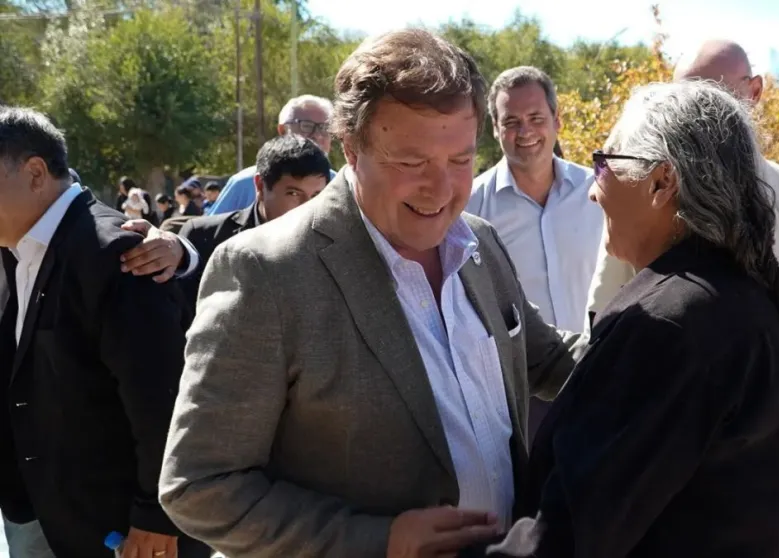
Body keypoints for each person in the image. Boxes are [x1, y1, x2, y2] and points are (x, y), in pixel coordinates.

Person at [159, 29, 585, 558]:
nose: (441, 189)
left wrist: (663, 338)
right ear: (351, 147)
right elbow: (199, 485)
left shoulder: (479, 242)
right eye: (411, 162)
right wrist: (378, 540)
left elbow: (547, 358)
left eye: (460, 160)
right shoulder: (265, 272)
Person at [474, 80, 779, 558]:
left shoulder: (671, 325)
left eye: (605, 163)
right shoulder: (733, 295)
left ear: (662, 182)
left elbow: (572, 535)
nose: (593, 192)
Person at [586, 38, 779, 486]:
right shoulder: (645, 193)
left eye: (714, 95)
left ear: (755, 92)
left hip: (767, 444)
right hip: (657, 439)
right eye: (684, 94)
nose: (696, 111)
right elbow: (603, 313)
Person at [0, 107, 212, 558]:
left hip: (123, 531)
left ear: (35, 173)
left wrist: (156, 514)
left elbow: (161, 399)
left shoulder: (117, 253)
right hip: (44, 510)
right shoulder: (17, 249)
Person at [465, 67, 602, 444]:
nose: (524, 131)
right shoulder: (471, 207)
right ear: (495, 129)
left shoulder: (600, 192)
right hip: (521, 396)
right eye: (511, 121)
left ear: (557, 120)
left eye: (536, 118)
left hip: (598, 375)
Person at [176, 135, 331, 307]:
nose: (307, 207)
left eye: (316, 196)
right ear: (260, 186)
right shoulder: (203, 238)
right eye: (293, 194)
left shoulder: (333, 245)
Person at [208, 95, 338, 215]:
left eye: (325, 128)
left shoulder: (340, 186)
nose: (317, 135)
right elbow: (214, 228)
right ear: (282, 130)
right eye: (307, 126)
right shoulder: (243, 184)